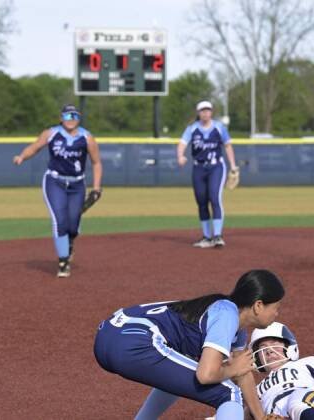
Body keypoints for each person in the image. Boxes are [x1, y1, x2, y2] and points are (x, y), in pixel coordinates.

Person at [94, 269, 285, 420]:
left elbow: (242, 373)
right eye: (276, 307)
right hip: (133, 340)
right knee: (229, 393)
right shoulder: (227, 315)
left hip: (110, 336)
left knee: (181, 372)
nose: (277, 313)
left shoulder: (234, 323)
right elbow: (206, 375)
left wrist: (260, 416)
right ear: (258, 306)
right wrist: (230, 370)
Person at [13, 105, 103, 277]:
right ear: (61, 118)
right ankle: (63, 261)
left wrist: (97, 187)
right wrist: (22, 156)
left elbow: (96, 162)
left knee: (73, 224)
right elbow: (35, 147)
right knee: (59, 220)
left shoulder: (87, 137)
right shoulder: (51, 133)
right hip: (55, 181)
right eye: (67, 115)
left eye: (74, 115)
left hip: (77, 184)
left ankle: (69, 242)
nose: (71, 118)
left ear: (79, 118)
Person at [177, 100, 238, 248]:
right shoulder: (192, 129)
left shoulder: (219, 127)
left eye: (208, 110)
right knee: (201, 201)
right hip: (198, 168)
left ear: (211, 112)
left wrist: (233, 166)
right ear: (198, 113)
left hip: (216, 166)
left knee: (214, 197)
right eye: (203, 110)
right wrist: (180, 156)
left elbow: (228, 146)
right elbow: (182, 144)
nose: (206, 113)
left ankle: (217, 236)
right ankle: (206, 237)